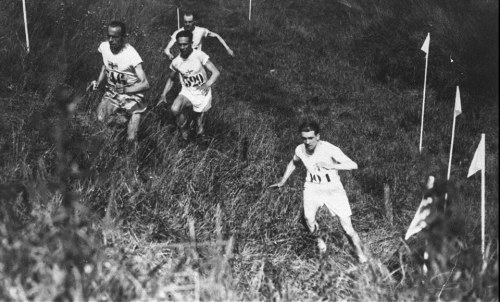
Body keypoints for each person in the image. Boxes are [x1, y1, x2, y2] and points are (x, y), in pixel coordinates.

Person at [269, 121, 368, 262]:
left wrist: (331, 165)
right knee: (309, 219)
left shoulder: (328, 148)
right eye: (304, 138)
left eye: (310, 138)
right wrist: (282, 181)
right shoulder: (300, 149)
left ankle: (362, 257)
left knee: (347, 228)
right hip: (312, 186)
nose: (307, 141)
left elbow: (353, 165)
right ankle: (321, 245)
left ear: (318, 136)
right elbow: (294, 162)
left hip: (332, 187)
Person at [90, 20, 150, 142]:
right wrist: (98, 82)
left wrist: (126, 89)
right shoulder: (104, 47)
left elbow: (145, 84)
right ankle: (111, 144)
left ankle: (132, 155)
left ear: (123, 38)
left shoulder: (131, 54)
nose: (111, 40)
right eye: (109, 36)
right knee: (100, 121)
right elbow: (105, 66)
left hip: (132, 96)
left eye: (115, 37)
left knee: (131, 138)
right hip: (113, 93)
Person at [157, 30, 220, 140]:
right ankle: (184, 130)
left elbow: (216, 72)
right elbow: (171, 79)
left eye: (185, 44)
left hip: (202, 93)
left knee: (200, 128)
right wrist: (163, 94)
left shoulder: (199, 55)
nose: (182, 47)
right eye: (180, 44)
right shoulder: (176, 62)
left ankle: (200, 137)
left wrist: (208, 84)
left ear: (191, 43)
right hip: (187, 92)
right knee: (174, 109)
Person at [164, 12, 235, 60]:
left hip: (197, 60)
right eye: (185, 22)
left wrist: (228, 49)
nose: (187, 24)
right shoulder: (178, 33)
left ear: (194, 21)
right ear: (183, 21)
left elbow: (216, 36)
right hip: (183, 60)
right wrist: (169, 54)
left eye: (190, 22)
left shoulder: (201, 31)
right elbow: (167, 48)